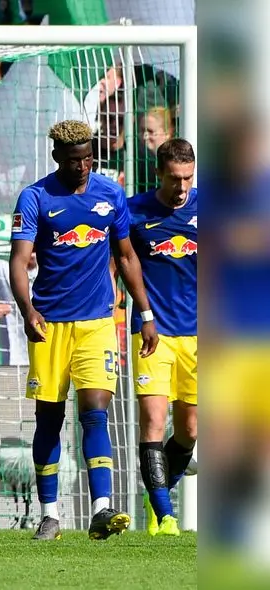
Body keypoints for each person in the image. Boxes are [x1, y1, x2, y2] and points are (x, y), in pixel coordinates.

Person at [9, 119, 159, 542]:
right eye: (74, 160)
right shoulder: (36, 197)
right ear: (57, 156)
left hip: (97, 322)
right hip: (50, 324)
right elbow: (19, 261)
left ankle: (100, 509)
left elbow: (127, 257)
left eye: (89, 158)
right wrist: (27, 309)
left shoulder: (109, 194)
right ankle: (50, 515)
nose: (83, 167)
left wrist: (145, 313)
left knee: (95, 411)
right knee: (49, 418)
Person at [127, 138, 197, 537]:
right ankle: (165, 515)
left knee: (190, 429)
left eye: (188, 178)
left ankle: (161, 491)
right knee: (153, 420)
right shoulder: (135, 212)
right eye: (174, 178)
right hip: (152, 331)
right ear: (159, 174)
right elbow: (118, 260)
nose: (182, 187)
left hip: (202, 333)